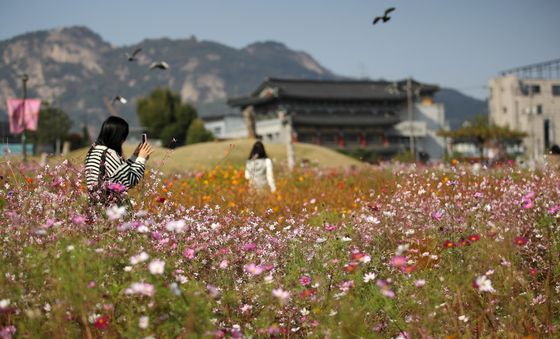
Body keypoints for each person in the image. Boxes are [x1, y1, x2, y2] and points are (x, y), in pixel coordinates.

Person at [85, 116, 153, 205]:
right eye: (123, 138)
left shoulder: (94, 151)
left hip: (96, 206)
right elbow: (129, 181)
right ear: (118, 137)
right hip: (109, 209)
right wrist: (141, 158)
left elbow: (119, 173)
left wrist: (134, 157)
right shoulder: (109, 153)